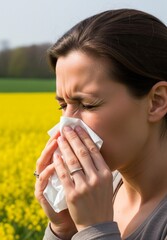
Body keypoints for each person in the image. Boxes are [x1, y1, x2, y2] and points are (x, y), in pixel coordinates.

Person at [34, 9, 167, 240]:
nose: (66, 127)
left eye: (87, 105)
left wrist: (94, 228)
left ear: (156, 102)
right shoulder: (96, 194)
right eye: (62, 105)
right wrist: (64, 231)